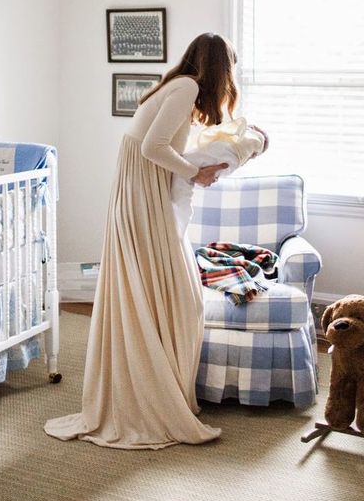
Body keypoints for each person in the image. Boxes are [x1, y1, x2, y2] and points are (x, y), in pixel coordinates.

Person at [44, 33, 242, 449]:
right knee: (178, 296)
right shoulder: (186, 87)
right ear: (218, 70)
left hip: (140, 191)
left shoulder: (177, 87)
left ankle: (161, 387)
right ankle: (151, 397)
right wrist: (194, 172)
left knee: (169, 293)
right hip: (141, 194)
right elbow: (153, 146)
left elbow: (161, 143)